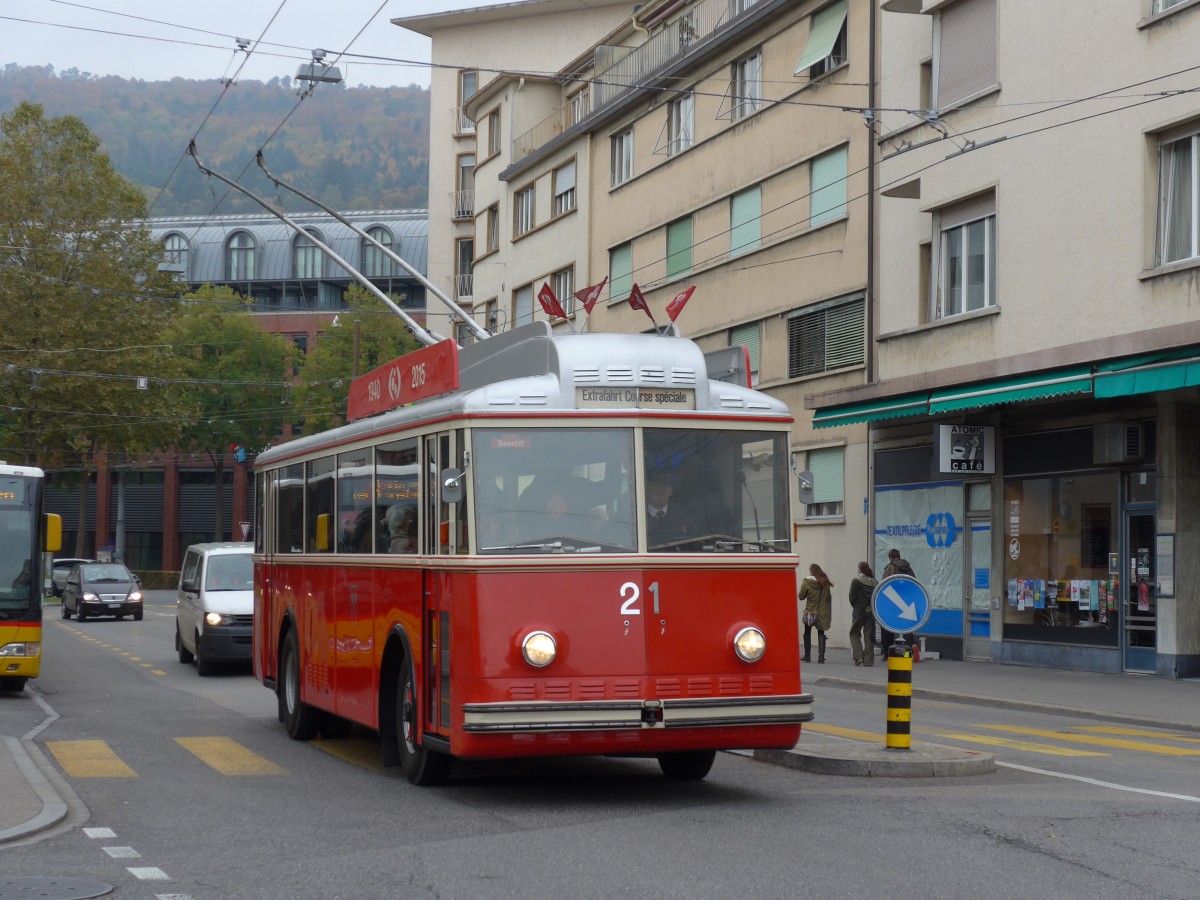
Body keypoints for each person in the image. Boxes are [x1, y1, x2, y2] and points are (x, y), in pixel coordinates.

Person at [881, 548, 916, 659]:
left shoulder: (890, 567)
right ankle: (911, 647)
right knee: (906, 627)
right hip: (907, 601)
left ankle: (888, 652)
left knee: (887, 627)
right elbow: (914, 583)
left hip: (893, 602)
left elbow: (884, 585)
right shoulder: (909, 568)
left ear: (890, 557)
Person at [798, 563, 833, 664]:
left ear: (811, 571)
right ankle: (821, 658)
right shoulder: (825, 583)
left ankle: (807, 656)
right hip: (822, 612)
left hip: (810, 612)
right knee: (821, 633)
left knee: (807, 632)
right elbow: (827, 598)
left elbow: (801, 596)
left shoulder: (807, 582)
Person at [645, 472, 690, 547]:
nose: (661, 491)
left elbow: (698, 539)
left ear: (671, 491)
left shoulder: (682, 514)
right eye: (656, 487)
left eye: (665, 487)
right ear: (647, 490)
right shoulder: (636, 515)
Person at [847, 561, 878, 667]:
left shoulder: (855, 581)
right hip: (871, 612)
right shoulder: (874, 582)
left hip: (858, 612)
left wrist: (856, 607)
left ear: (859, 569)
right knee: (868, 636)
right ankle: (869, 661)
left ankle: (858, 657)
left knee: (854, 633)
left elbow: (852, 597)